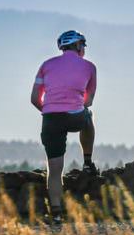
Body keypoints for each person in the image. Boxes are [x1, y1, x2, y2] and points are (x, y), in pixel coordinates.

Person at [31, 30, 98, 221]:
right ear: (78, 46)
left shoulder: (46, 65)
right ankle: (87, 162)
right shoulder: (89, 67)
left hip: (51, 118)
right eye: (83, 45)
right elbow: (89, 100)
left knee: (54, 169)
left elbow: (35, 98)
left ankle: (56, 212)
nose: (84, 49)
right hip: (75, 116)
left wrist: (50, 110)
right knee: (88, 117)